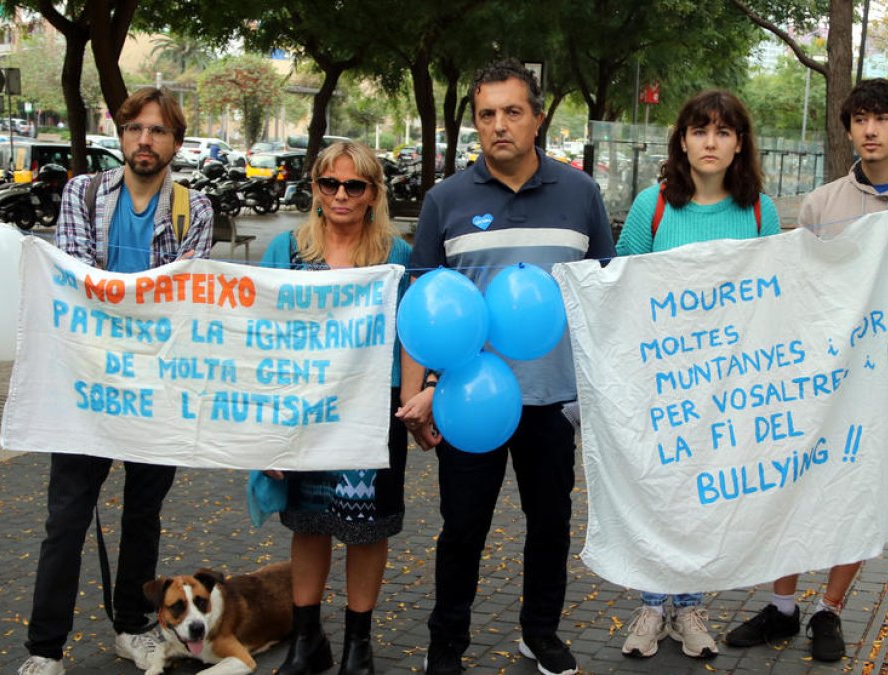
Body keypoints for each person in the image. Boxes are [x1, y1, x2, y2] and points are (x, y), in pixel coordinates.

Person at [397, 58, 615, 675]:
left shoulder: (581, 194)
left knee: (549, 526)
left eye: (512, 112)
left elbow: (603, 296)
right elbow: (420, 308)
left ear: (537, 118)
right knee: (462, 530)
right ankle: (446, 645)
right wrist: (416, 399)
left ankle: (539, 633)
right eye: (487, 114)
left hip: (553, 401)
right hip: (468, 403)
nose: (499, 125)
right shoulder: (446, 200)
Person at [724, 78, 888, 663]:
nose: (869, 130)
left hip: (884, 376)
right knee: (796, 481)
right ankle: (782, 606)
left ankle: (830, 609)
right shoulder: (821, 204)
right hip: (817, 372)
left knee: (859, 490)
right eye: (859, 119)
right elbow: (800, 288)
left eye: (882, 119)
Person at [19, 87, 215, 675]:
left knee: (142, 515)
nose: (144, 140)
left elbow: (185, 298)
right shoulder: (83, 194)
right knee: (66, 519)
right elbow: (79, 280)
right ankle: (45, 648)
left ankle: (132, 627)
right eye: (135, 129)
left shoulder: (194, 210)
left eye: (158, 131)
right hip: (87, 384)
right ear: (121, 134)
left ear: (175, 143)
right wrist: (135, 306)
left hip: (159, 387)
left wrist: (132, 306)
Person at [615, 89, 781, 660]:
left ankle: (689, 609)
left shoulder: (759, 212)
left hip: (728, 387)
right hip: (660, 382)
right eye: (699, 130)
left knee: (702, 500)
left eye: (723, 132)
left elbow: (774, 296)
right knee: (657, 492)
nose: (711, 142)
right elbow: (619, 284)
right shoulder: (653, 206)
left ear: (740, 144)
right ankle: (650, 606)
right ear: (682, 141)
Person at [259, 140, 412, 675]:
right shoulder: (286, 250)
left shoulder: (396, 255)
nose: (341, 194)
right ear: (316, 189)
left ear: (373, 194)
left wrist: (415, 402)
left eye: (354, 185)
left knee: (367, 530)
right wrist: (266, 430)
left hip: (372, 411)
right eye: (330, 183)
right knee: (309, 523)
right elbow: (263, 338)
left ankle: (357, 648)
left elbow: (410, 337)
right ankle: (308, 643)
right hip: (303, 412)